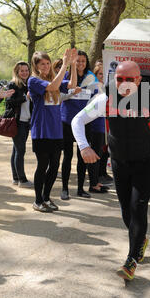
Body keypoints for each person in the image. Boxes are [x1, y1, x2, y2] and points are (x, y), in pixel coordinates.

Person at [71, 61, 150, 281]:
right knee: (126, 210)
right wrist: (84, 146)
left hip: (145, 161)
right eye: (120, 79)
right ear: (114, 78)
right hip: (119, 162)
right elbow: (77, 120)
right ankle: (140, 241)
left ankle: (131, 260)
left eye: (130, 79)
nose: (124, 84)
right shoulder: (105, 99)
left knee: (138, 207)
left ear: (139, 79)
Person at [28, 48, 78, 213]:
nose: (46, 66)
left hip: (56, 131)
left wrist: (73, 66)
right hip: (42, 130)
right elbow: (52, 86)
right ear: (36, 66)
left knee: (54, 164)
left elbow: (71, 85)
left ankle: (47, 197)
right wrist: (64, 65)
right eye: (42, 64)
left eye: (48, 63)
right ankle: (38, 200)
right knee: (42, 165)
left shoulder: (54, 79)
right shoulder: (33, 81)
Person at [60, 50, 98, 200]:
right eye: (78, 61)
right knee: (67, 156)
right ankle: (64, 189)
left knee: (82, 156)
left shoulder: (91, 77)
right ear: (73, 62)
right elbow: (59, 95)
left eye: (83, 61)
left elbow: (96, 97)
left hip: (85, 122)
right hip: (67, 121)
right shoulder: (66, 76)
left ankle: (81, 188)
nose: (80, 63)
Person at [5, 61, 33, 187]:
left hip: (26, 121)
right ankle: (22, 180)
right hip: (17, 122)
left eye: (26, 70)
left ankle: (16, 178)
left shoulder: (28, 83)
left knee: (16, 150)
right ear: (17, 72)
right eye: (22, 70)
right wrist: (25, 97)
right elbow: (9, 102)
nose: (25, 72)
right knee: (20, 151)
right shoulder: (13, 84)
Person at [93, 61, 113, 186]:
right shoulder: (94, 87)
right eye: (100, 74)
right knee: (100, 148)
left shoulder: (108, 86)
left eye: (104, 73)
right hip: (99, 120)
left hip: (108, 119)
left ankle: (103, 172)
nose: (102, 75)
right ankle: (98, 175)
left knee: (106, 148)